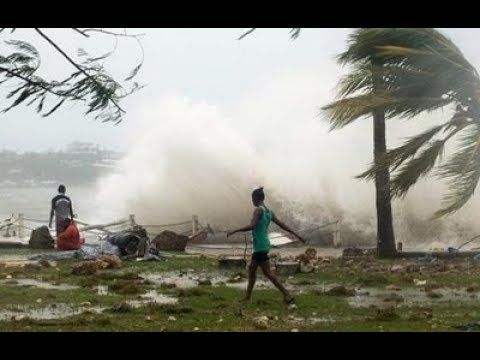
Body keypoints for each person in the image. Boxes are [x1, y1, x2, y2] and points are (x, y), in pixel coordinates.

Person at [227, 187, 305, 304]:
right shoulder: (269, 212)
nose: (252, 201)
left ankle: (286, 294)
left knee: (266, 273)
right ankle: (249, 297)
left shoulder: (258, 210)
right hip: (264, 245)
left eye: (252, 198)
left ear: (256, 198)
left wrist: (235, 230)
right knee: (253, 271)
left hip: (259, 247)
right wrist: (297, 235)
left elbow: (252, 226)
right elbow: (282, 225)